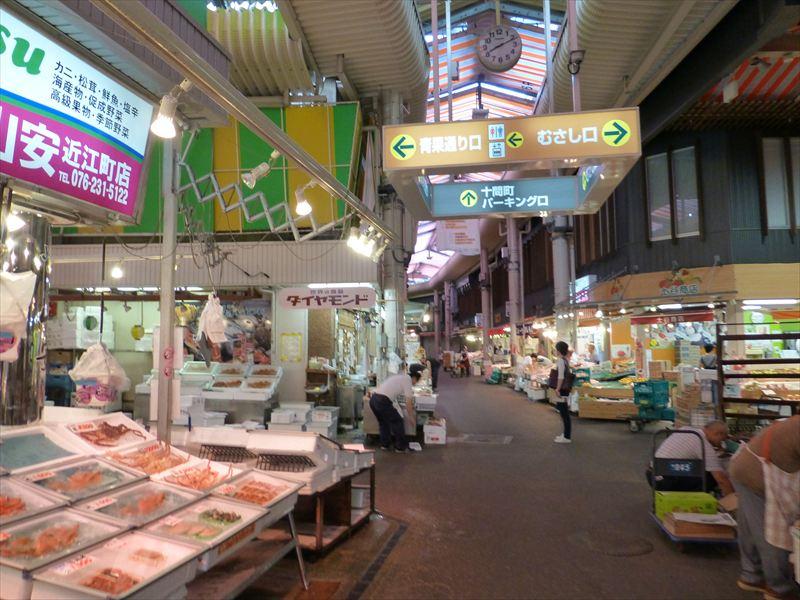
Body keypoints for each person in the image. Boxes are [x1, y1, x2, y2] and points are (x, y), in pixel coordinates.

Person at [729, 416, 800, 599]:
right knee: (772, 532)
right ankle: (779, 588)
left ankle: (751, 576)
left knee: (750, 528)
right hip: (756, 475)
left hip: (745, 467)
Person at [652, 421, 734, 495]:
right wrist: (732, 499)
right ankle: (694, 502)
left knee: (699, 470)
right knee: (711, 477)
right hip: (665, 481)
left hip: (652, 474)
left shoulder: (686, 429)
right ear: (718, 434)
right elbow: (721, 480)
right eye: (722, 440)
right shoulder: (703, 444)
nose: (721, 443)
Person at [369, 365, 424, 453]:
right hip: (382, 401)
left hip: (373, 399)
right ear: (413, 378)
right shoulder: (408, 380)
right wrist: (411, 417)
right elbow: (408, 402)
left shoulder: (400, 377)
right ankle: (400, 447)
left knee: (383, 422)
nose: (415, 384)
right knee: (397, 421)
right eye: (416, 381)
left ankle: (385, 445)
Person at [553, 341, 573, 444]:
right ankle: (565, 434)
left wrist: (557, 389)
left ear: (559, 350)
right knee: (564, 412)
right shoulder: (565, 360)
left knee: (564, 413)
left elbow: (560, 376)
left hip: (562, 389)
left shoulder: (561, 361)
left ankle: (566, 437)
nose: (555, 351)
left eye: (556, 349)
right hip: (566, 388)